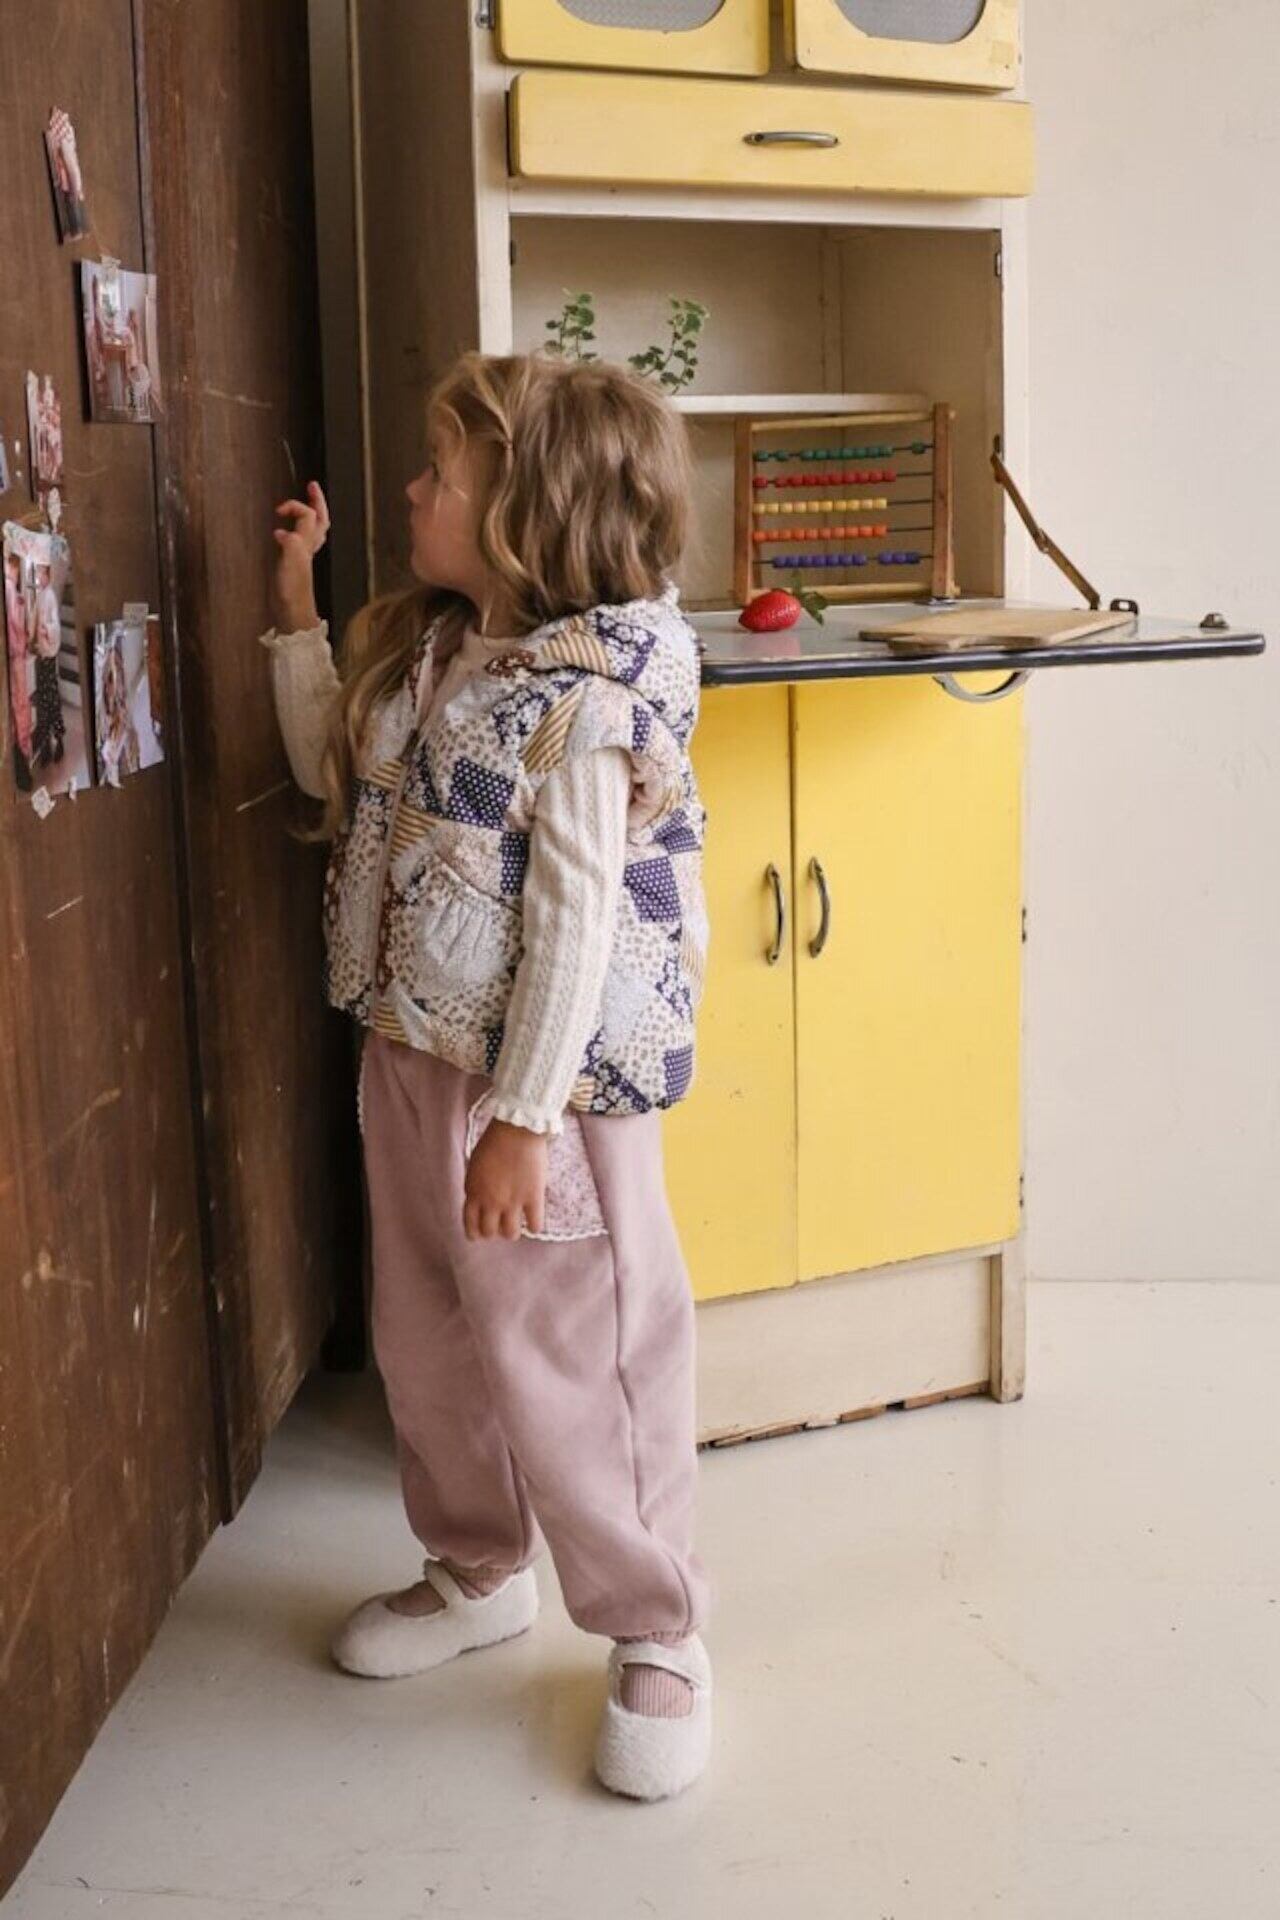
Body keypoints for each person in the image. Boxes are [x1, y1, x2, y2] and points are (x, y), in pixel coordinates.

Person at [261, 351, 713, 1802]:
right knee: (430, 1338)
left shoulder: (582, 708)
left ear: (527, 515)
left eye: (439, 474)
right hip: (413, 1057)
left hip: (543, 1097)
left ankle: (655, 1627)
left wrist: (519, 1124)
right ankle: (476, 1565)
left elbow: (577, 925)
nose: (410, 490)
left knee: (580, 1358)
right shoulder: (441, 657)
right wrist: (295, 618)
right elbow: (336, 783)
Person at [30, 562, 64, 767]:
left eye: (40, 572)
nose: (38, 576)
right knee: (43, 700)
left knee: (51, 699)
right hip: (42, 653)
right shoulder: (41, 595)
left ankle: (59, 741)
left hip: (49, 655)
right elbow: (34, 618)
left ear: (47, 575)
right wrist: (32, 637)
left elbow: (55, 626)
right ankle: (45, 746)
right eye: (37, 572)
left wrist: (46, 630)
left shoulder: (50, 595)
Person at [4, 549, 35, 770]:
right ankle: (24, 751)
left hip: (12, 653)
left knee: (17, 702)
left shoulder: (8, 589)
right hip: (16, 653)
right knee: (21, 702)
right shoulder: (9, 588)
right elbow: (15, 623)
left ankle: (21, 749)